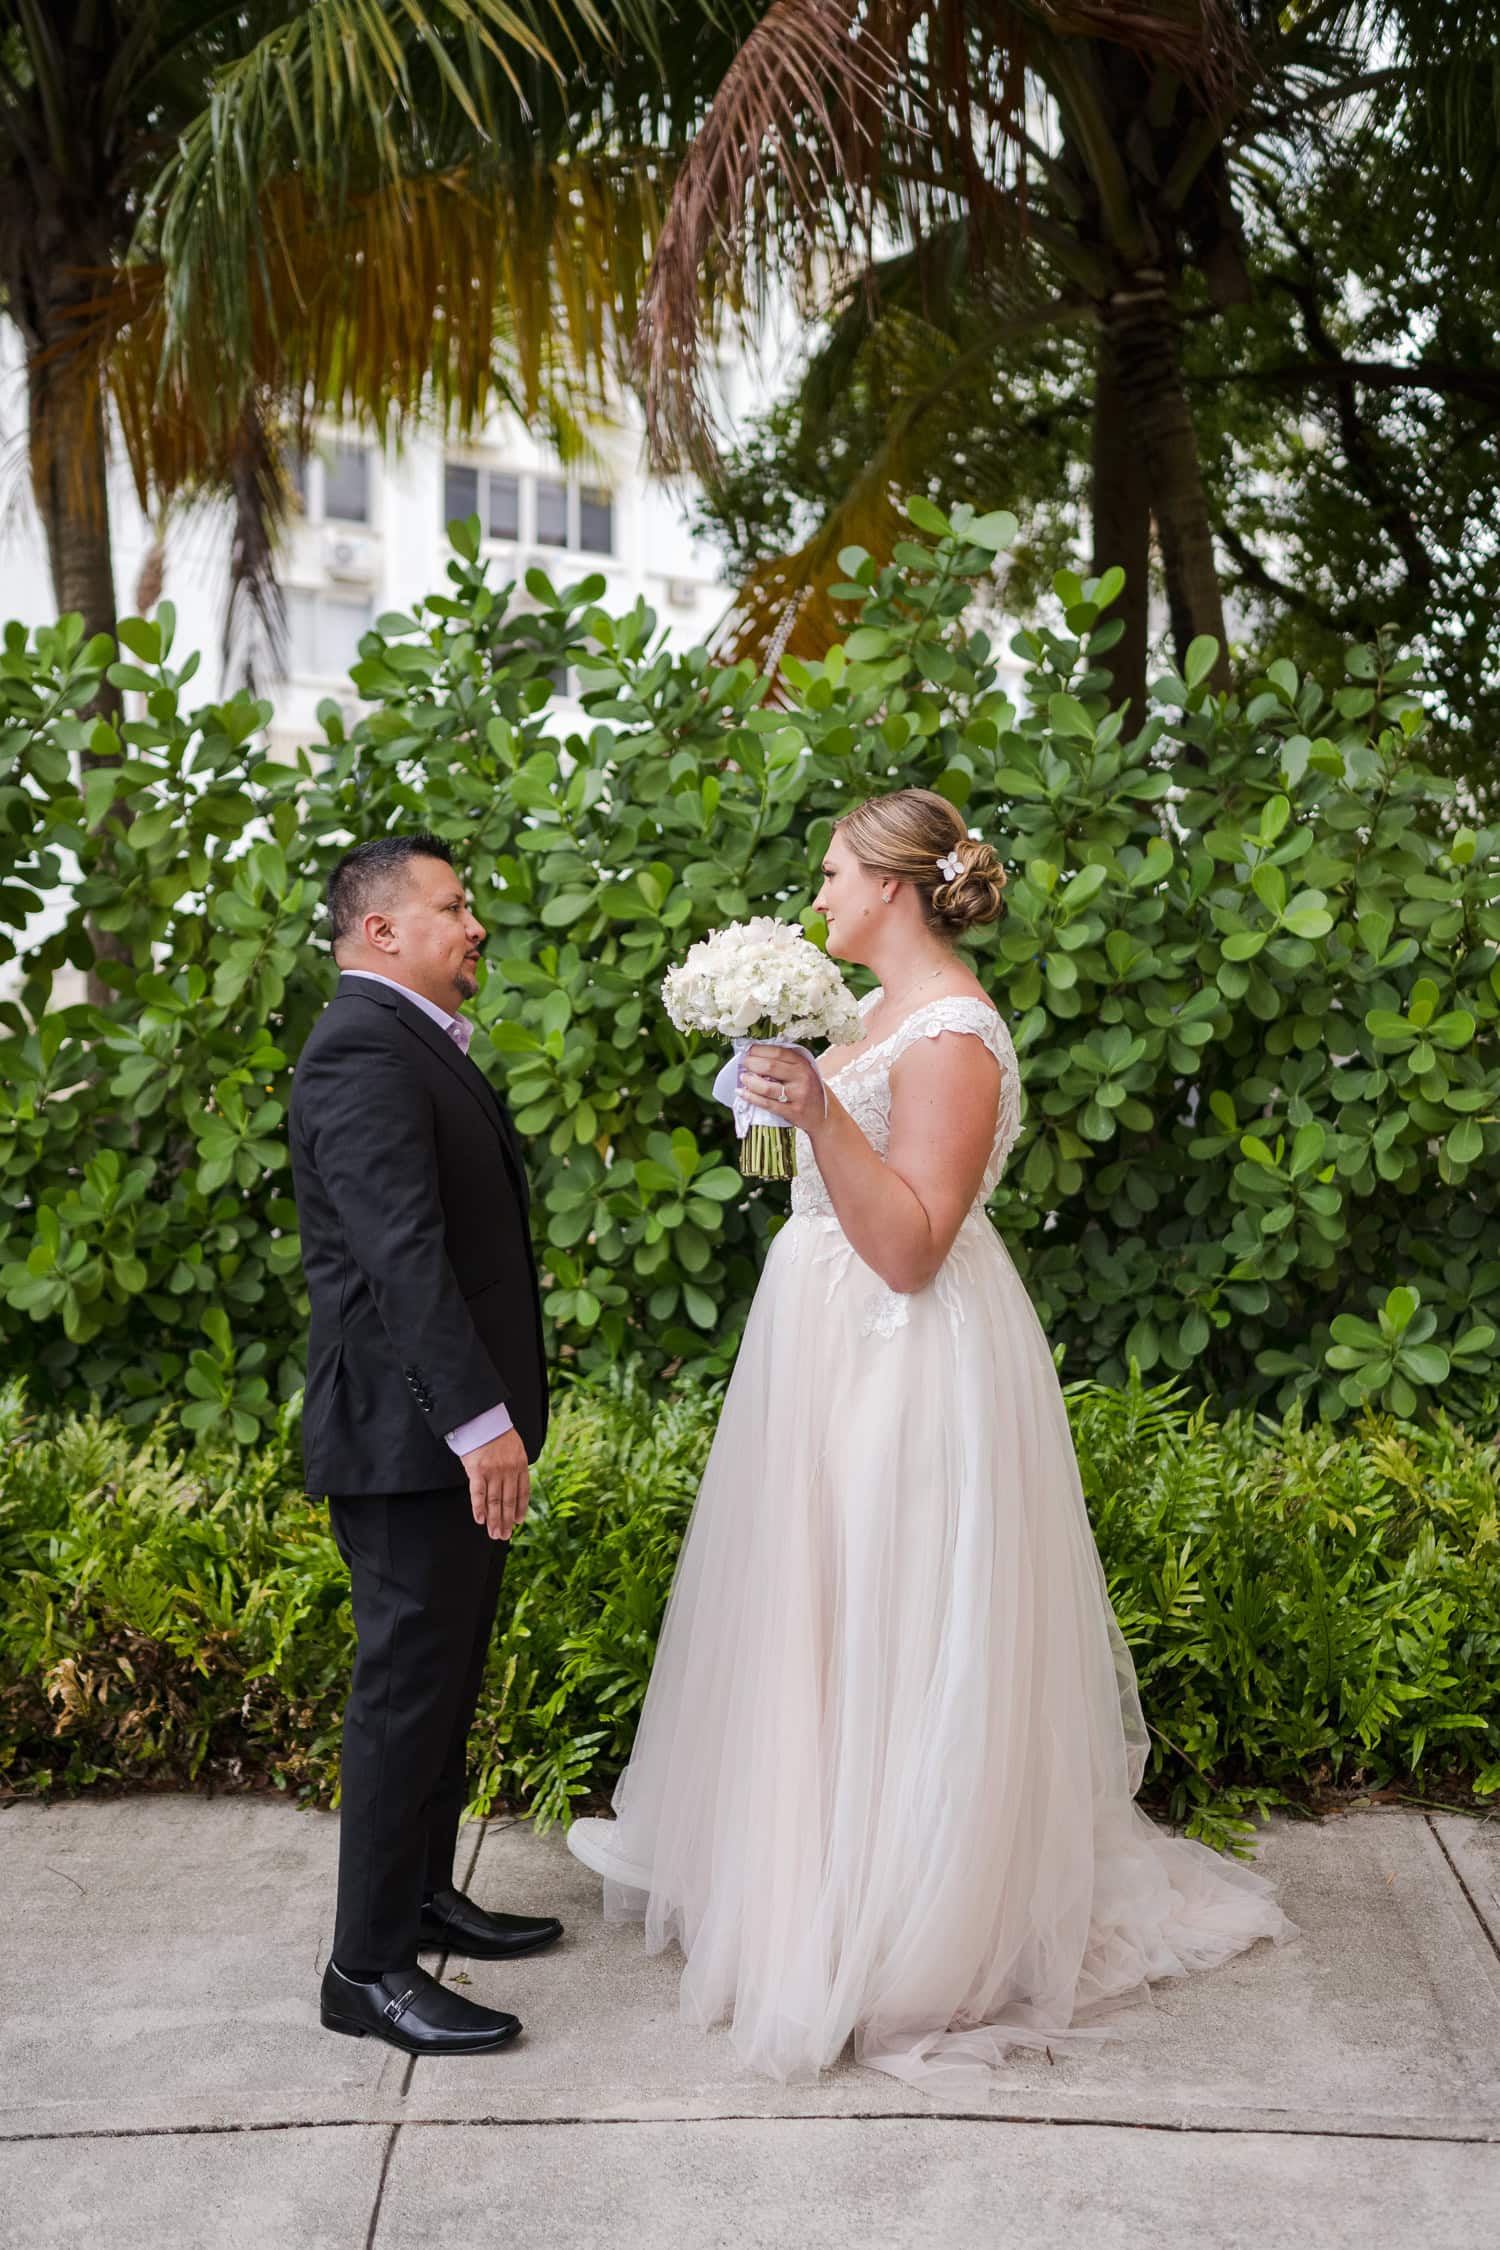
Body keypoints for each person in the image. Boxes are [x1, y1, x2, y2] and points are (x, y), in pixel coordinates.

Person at [567, 787, 1295, 2095]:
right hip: (820, 1351)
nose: (820, 892)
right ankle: (821, 1880)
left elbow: (908, 1245)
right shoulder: (862, 1017)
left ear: (898, 886)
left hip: (904, 1364)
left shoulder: (956, 1032)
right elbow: (818, 1188)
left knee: (898, 1622)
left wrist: (825, 1114)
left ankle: (904, 1924)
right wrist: (780, 1102)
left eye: (836, 870)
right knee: (823, 1620)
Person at [290, 833, 561, 2058]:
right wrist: (478, 1422)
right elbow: (401, 1256)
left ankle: (421, 1896)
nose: (476, 927)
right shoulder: (359, 1048)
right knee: (404, 1695)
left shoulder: (409, 1043)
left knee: (443, 1679)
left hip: (438, 1437)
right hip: (410, 1439)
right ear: (381, 929)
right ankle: (366, 1968)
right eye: (453, 908)